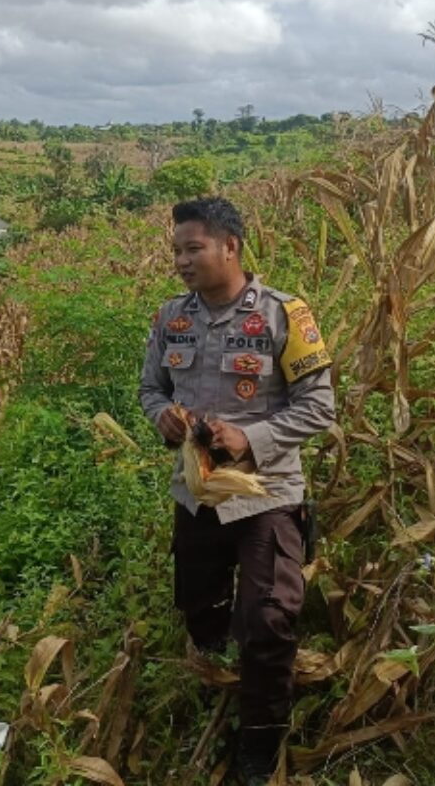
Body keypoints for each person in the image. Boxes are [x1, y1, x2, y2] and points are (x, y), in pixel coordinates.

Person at [139, 197, 335, 786]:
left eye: (192, 248)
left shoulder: (283, 314)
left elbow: (319, 406)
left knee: (270, 619)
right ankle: (225, 667)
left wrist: (249, 438)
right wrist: (162, 419)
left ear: (230, 247)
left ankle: (260, 741)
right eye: (175, 250)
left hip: (266, 494)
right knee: (200, 607)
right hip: (198, 494)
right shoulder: (172, 317)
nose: (180, 261)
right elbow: (151, 388)